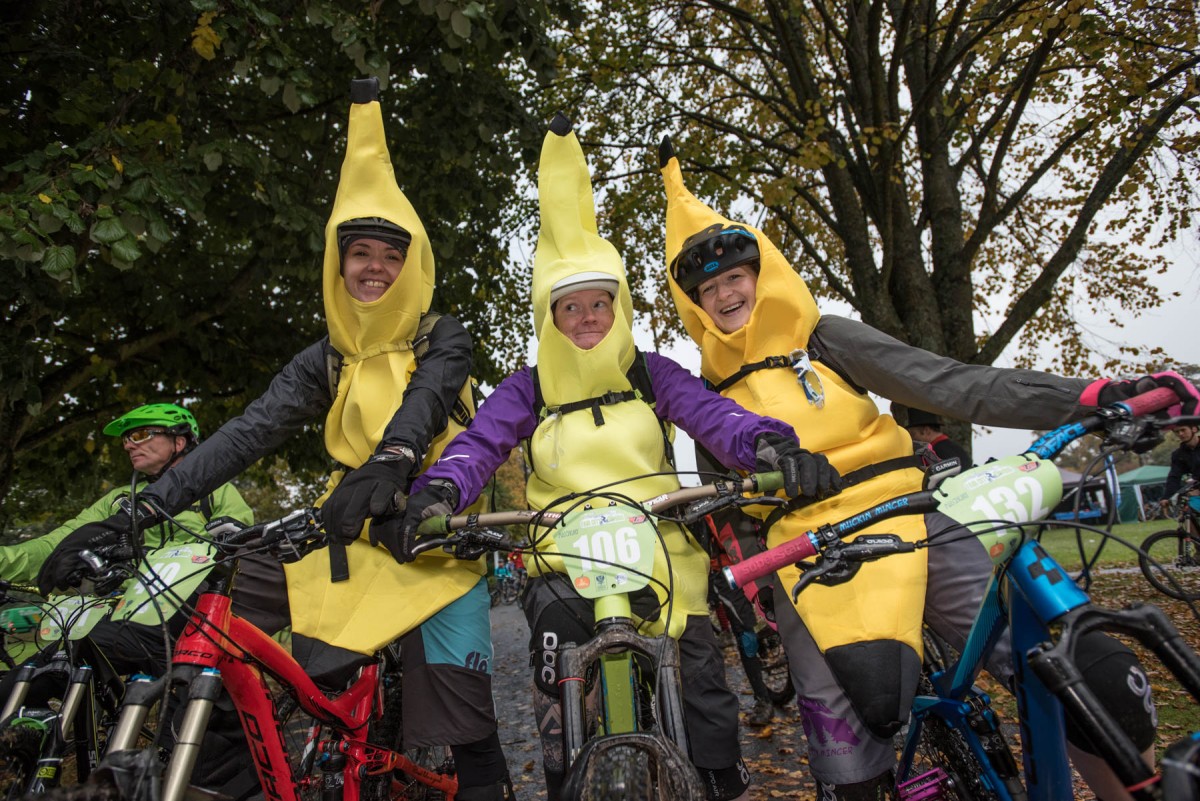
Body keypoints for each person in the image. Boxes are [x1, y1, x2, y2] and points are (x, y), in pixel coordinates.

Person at [657, 137, 1199, 800]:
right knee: (848, 765)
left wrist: (1087, 395)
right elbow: (731, 511)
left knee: (1080, 679)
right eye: (707, 289)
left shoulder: (824, 338)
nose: (724, 294)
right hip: (806, 558)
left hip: (908, 517)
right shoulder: (709, 403)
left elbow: (946, 382)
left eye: (733, 276)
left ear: (762, 273)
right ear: (695, 306)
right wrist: (757, 602)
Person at [37, 80, 512, 801]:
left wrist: (393, 459)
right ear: (337, 264)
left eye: (391, 253)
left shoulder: (440, 334)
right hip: (347, 517)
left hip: (433, 524)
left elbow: (429, 397)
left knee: (462, 708)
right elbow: (246, 432)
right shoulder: (326, 356)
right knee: (220, 622)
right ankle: (221, 776)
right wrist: (139, 513)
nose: (375, 267)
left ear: (412, 263)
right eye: (359, 253)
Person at [397, 115, 837, 801]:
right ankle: (566, 775)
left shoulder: (651, 370)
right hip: (563, 559)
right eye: (570, 307)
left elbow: (714, 416)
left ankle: (721, 781)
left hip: (660, 546)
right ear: (551, 317)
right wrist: (439, 492)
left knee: (702, 674)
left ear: (619, 306)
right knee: (554, 671)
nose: (588, 318)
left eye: (600, 302)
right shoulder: (529, 386)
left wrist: (772, 444)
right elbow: (478, 445)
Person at [0, 404, 260, 701]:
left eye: (140, 434)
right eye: (125, 439)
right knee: (34, 673)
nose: (127, 444)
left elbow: (237, 536)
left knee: (108, 651)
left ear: (180, 441)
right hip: (120, 607)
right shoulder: (118, 500)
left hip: (190, 607)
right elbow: (58, 542)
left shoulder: (215, 490)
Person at [888, 402, 972, 468]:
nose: (912, 439)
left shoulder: (934, 453)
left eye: (913, 434)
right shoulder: (956, 448)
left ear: (926, 431)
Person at [1161, 422, 1200, 521]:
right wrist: (1167, 497)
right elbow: (1174, 476)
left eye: (1183, 430)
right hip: (1196, 491)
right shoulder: (1178, 454)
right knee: (1189, 516)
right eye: (1177, 432)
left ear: (1194, 429)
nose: (1180, 434)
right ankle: (1189, 536)